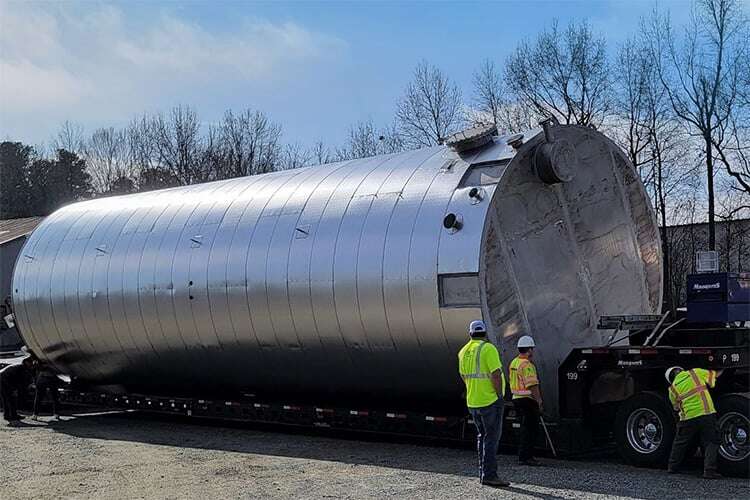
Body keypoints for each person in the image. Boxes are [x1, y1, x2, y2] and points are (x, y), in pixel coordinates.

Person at [458, 320, 510, 488]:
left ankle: (483, 473)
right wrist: (499, 395)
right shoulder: (488, 349)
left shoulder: (463, 351)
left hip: (473, 402)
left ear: (470, 333)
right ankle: (490, 475)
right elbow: (496, 374)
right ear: (485, 333)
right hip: (490, 401)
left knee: (482, 437)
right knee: (491, 439)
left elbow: (464, 376)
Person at [665, 366, 722, 479]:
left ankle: (672, 467)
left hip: (687, 418)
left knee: (680, 443)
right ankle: (709, 471)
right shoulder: (695, 373)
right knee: (711, 442)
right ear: (680, 370)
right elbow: (713, 377)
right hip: (706, 413)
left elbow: (676, 407)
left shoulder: (672, 389)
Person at [509, 335, 543, 466]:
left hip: (516, 399)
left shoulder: (514, 363)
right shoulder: (527, 365)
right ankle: (527, 457)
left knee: (524, 429)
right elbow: (532, 385)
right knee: (531, 429)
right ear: (529, 349)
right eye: (532, 349)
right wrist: (539, 400)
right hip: (527, 400)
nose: (533, 351)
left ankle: (523, 455)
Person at [0, 355, 34, 426]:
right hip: (4, 381)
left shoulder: (21, 367)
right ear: (26, 362)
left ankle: (9, 416)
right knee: (10, 400)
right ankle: (13, 418)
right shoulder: (21, 368)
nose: (31, 364)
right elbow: (16, 380)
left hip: (4, 379)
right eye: (30, 363)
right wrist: (13, 389)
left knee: (7, 400)